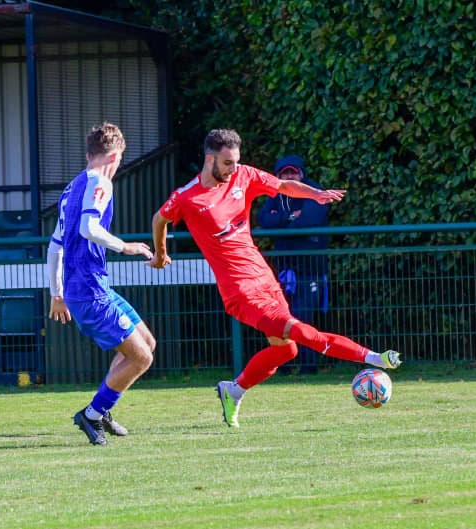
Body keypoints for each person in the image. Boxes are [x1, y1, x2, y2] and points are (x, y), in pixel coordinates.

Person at [150, 129, 401, 428]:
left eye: (236, 161)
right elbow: (160, 219)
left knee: (286, 349)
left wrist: (315, 194)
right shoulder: (187, 196)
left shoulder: (243, 175)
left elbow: (282, 185)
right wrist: (160, 254)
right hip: (240, 292)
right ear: (209, 159)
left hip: (264, 279)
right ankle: (374, 358)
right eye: (227, 163)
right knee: (300, 331)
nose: (233, 168)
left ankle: (233, 391)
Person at [47, 122, 157, 446]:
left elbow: (55, 244)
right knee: (142, 358)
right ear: (115, 156)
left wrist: (56, 293)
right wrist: (126, 247)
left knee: (146, 343)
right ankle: (92, 413)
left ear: (88, 154)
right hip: (89, 290)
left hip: (90, 287)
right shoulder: (101, 183)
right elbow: (89, 228)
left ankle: (101, 409)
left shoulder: (72, 188)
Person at [256, 155, 331, 374]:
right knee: (281, 318)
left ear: (301, 174)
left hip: (311, 268)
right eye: (285, 173)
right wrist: (290, 217)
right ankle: (285, 366)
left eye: (293, 172)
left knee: (303, 316)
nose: (290, 176)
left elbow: (309, 220)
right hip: (285, 268)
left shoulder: (314, 190)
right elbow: (263, 219)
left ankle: (309, 367)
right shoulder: (276, 193)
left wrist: (281, 220)